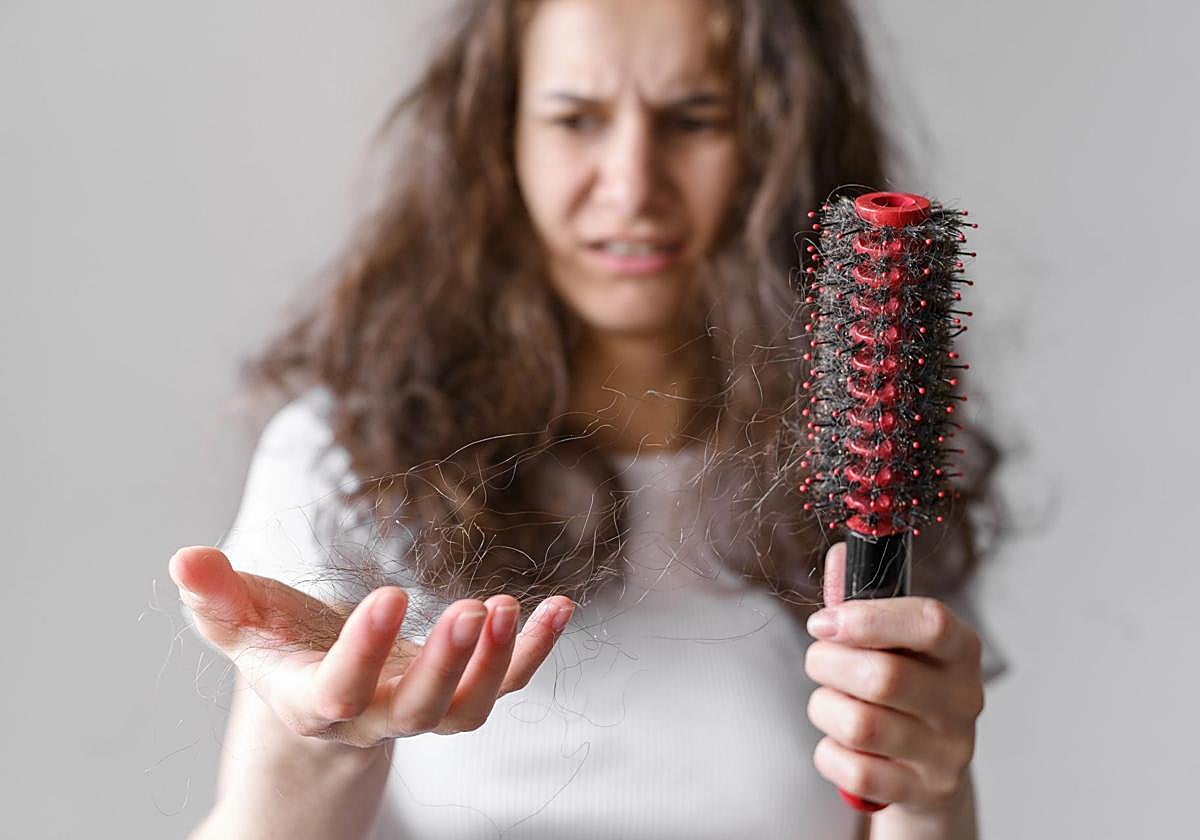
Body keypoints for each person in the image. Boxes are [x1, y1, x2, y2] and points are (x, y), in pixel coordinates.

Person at [169, 1, 1003, 837]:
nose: (632, 184)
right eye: (575, 119)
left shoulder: (873, 462)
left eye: (694, 119)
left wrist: (930, 793)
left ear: (781, 139)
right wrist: (321, 740)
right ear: (502, 138)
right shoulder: (345, 460)